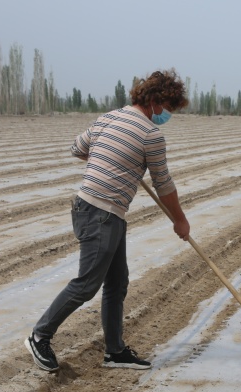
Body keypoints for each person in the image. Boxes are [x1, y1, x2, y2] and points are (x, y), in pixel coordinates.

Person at [25, 69, 191, 372]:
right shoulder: (151, 135)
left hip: (95, 211)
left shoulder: (108, 118)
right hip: (100, 213)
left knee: (117, 282)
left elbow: (78, 148)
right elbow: (163, 184)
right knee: (87, 284)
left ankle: (114, 351)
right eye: (168, 108)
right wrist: (180, 221)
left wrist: (110, 154)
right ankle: (40, 335)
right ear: (155, 100)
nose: (167, 114)